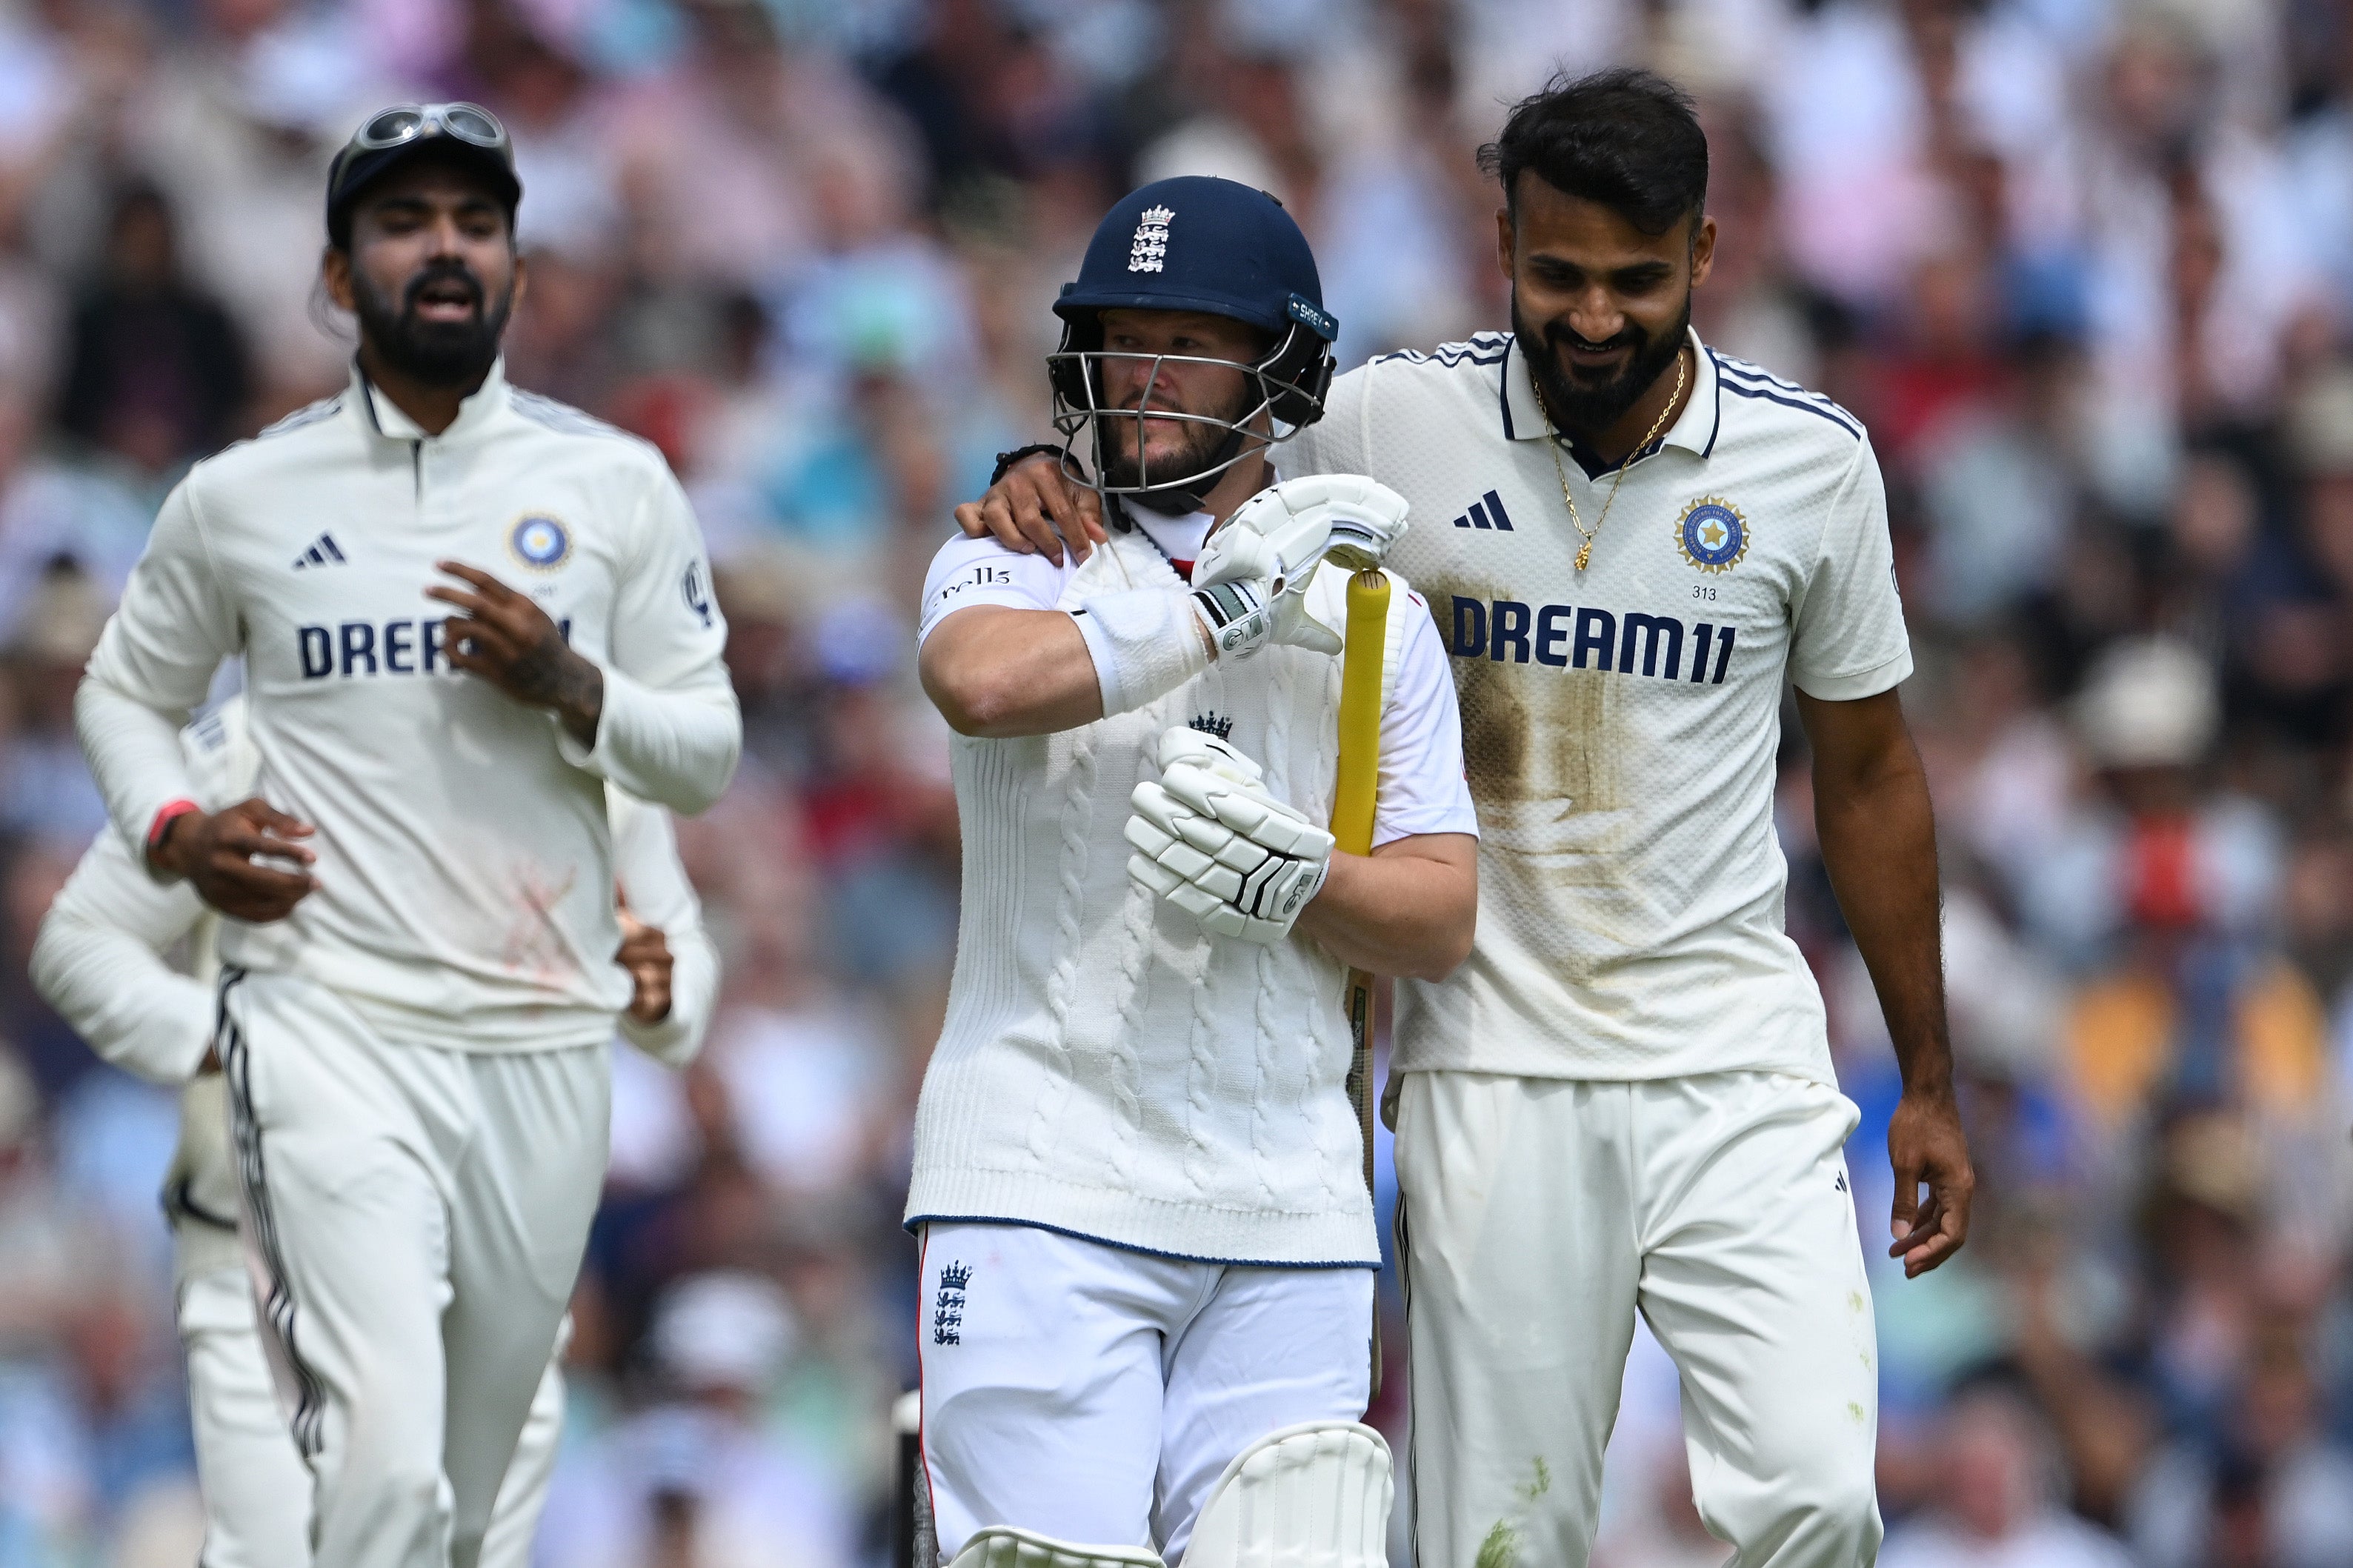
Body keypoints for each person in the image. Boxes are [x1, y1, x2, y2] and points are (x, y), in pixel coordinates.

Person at [959, 71, 1974, 1568]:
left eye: (1637, 279)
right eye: (1555, 273)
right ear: (1503, 243)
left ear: (1704, 255)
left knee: (1815, 1498)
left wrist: (1931, 1077)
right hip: (1485, 1058)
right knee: (1502, 1540)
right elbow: (1182, 481)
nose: (1592, 315)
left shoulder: (1809, 465)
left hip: (1732, 1055)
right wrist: (1032, 471)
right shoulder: (1384, 417)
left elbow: (1873, 771)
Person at [71, 101, 739, 1568]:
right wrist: (174, 826)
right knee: (380, 1464)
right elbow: (124, 691)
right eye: (403, 221)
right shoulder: (243, 495)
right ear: (335, 277)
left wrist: (573, 685)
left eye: (474, 222)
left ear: (513, 265)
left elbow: (704, 754)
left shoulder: (614, 485)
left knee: (467, 1496)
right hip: (328, 1025)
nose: (444, 247)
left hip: (540, 1040)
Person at [906, 175, 1478, 1563]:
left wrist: (1302, 884)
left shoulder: (1373, 614)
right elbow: (979, 690)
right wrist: (1217, 613)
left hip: (1289, 1205)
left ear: (1279, 367)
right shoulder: (1014, 552)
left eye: (1190, 338)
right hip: (1042, 1181)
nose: (1144, 372)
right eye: (1122, 335)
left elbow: (1441, 911)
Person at [29, 694, 719, 1568]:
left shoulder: (568, 756)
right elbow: (81, 943)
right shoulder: (245, 742)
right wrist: (232, 1038)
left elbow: (670, 982)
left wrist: (650, 983)